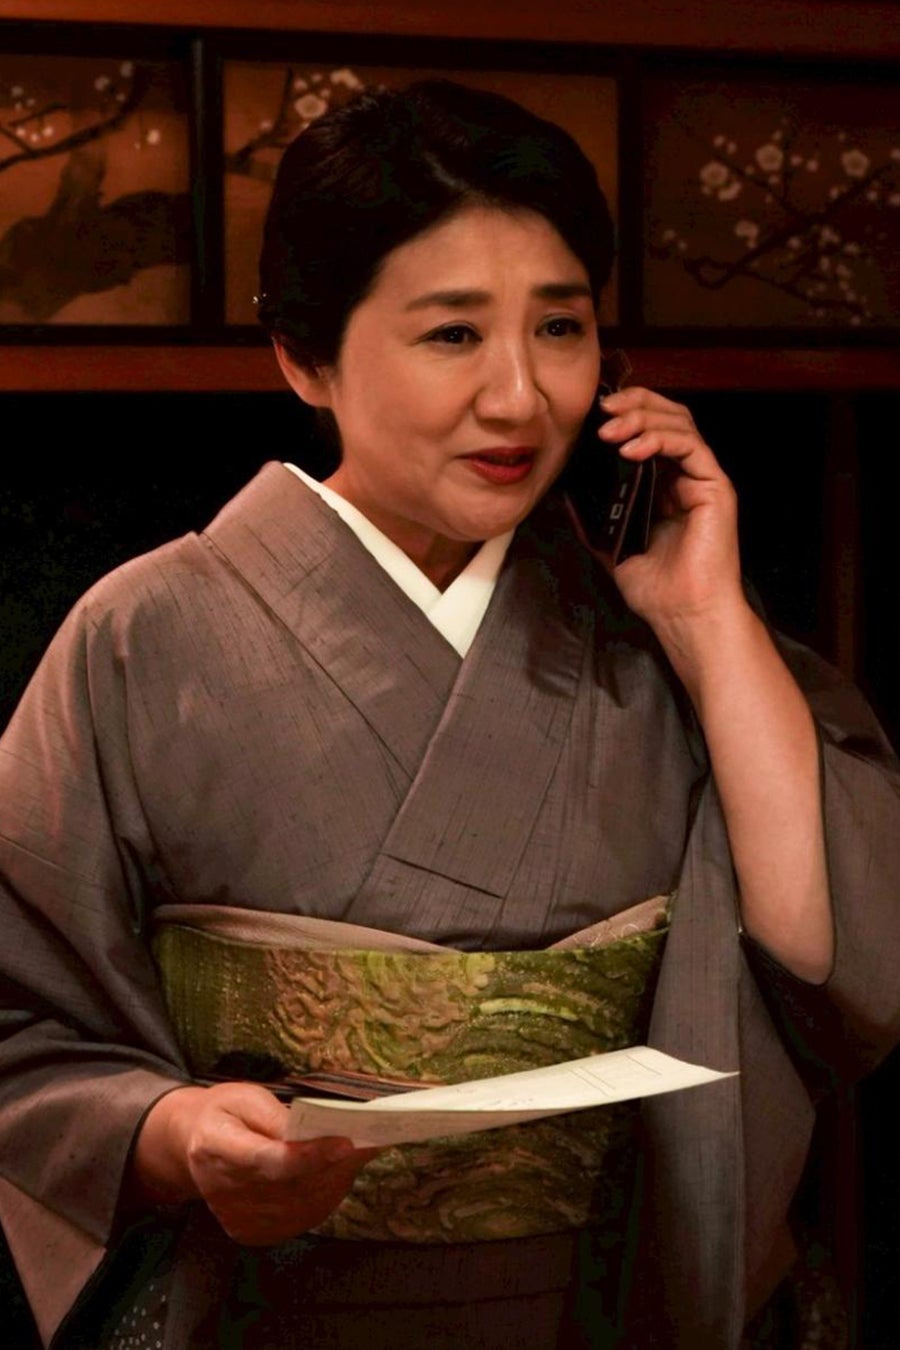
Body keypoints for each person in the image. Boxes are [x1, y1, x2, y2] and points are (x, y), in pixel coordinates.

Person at [1, 78, 899, 1350]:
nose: (522, 397)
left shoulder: (663, 628)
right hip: (275, 1310)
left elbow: (829, 973)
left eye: (561, 327)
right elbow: (21, 1026)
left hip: (609, 1306)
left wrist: (707, 621)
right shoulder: (141, 637)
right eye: (454, 334)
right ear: (304, 355)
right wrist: (178, 1135)